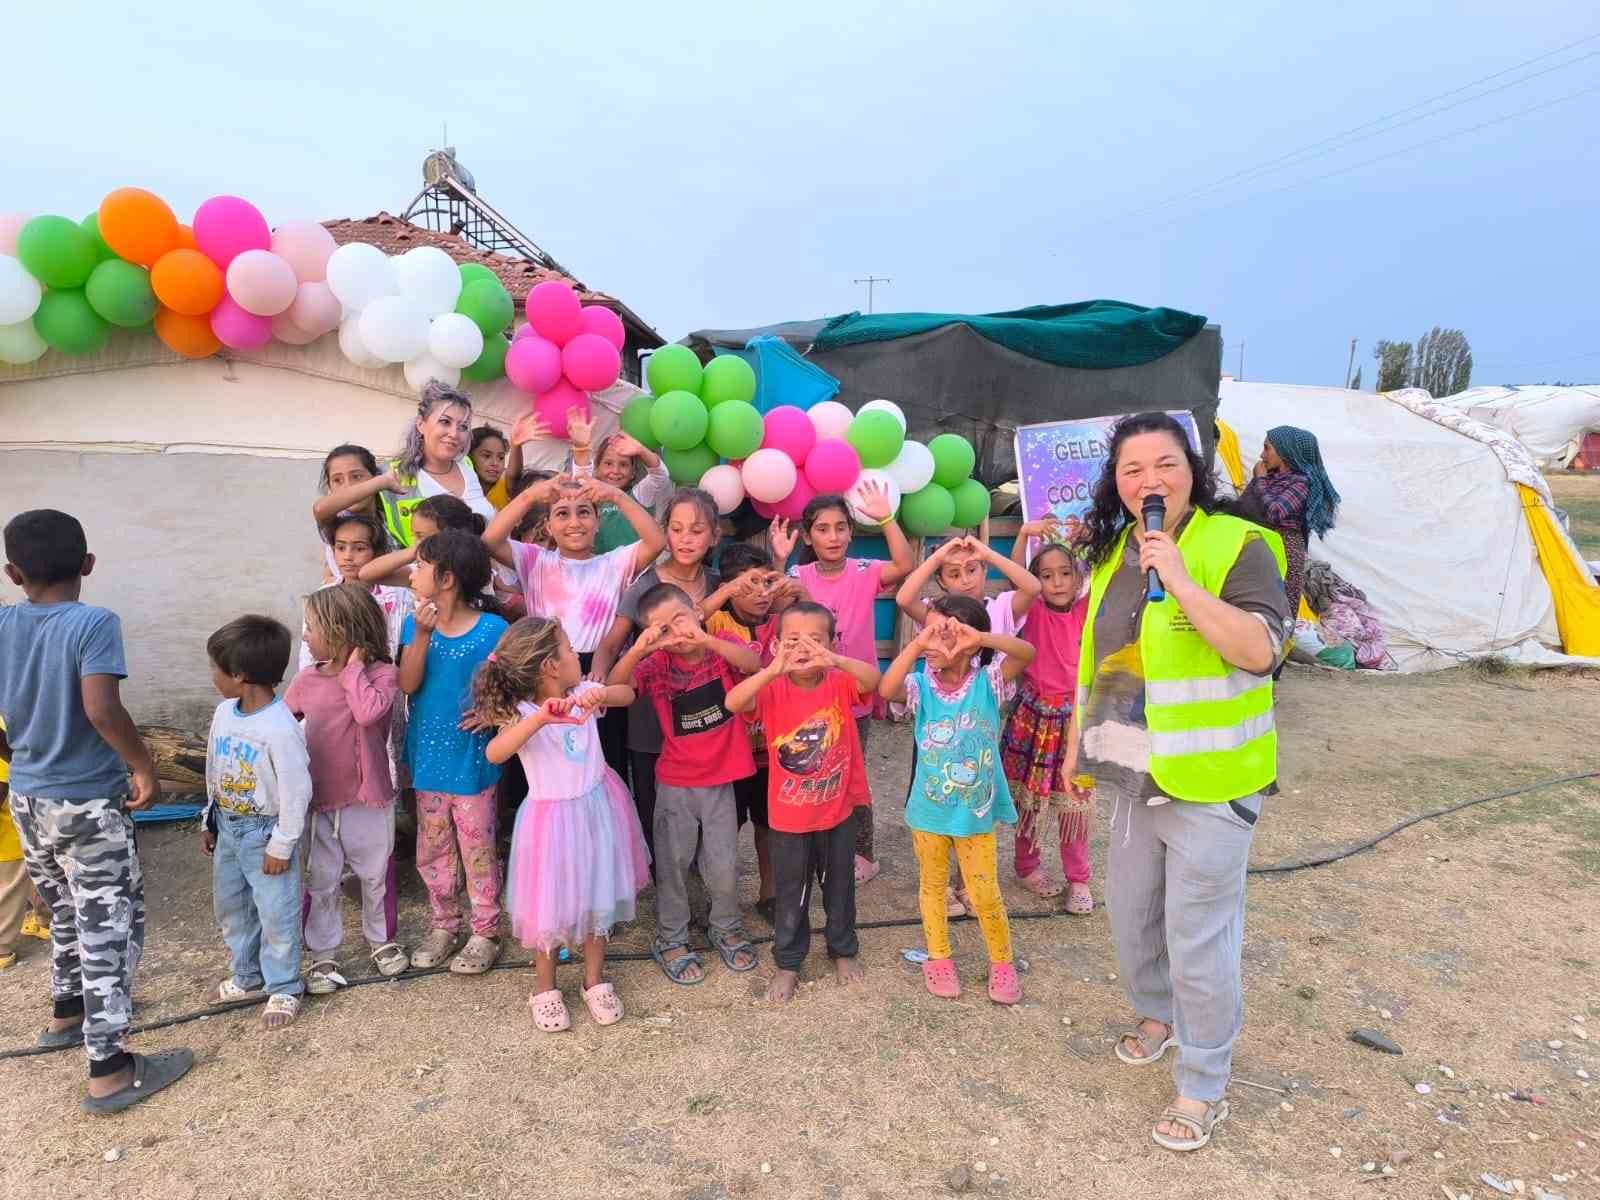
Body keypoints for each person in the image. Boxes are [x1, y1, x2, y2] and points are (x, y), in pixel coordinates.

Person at [1064, 411, 1288, 1152]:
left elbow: (1260, 651)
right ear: (1116, 483)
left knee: (1199, 938)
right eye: (1131, 470)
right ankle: (1156, 1015)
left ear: (1193, 470)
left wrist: (1184, 583)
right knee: (1133, 919)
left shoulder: (1238, 544)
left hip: (1212, 782)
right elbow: (1098, 663)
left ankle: (1203, 1083)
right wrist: (1077, 751)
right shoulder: (1116, 554)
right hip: (1132, 774)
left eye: (1163, 464)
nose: (1148, 481)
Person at [0, 510, 192, 1112]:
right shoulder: (93, 623)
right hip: (84, 800)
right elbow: (101, 707)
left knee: (62, 911)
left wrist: (13, 755)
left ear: (12, 573)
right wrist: (142, 765)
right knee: (106, 929)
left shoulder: (3, 622)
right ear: (87, 565)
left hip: (28, 797)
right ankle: (108, 1068)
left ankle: (66, 1014)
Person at [473, 618, 649, 1031]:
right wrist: (540, 720)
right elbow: (497, 754)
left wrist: (601, 692)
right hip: (550, 823)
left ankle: (594, 980)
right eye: (570, 649)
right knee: (548, 906)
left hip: (596, 810)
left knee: (596, 895)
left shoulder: (584, 694)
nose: (576, 655)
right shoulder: (522, 713)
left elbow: (627, 694)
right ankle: (545, 988)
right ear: (550, 666)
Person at [880, 594, 1033, 1005]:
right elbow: (886, 688)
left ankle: (1002, 963)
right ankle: (939, 957)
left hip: (975, 814)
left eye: (943, 633)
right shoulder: (919, 686)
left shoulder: (989, 682)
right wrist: (917, 644)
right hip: (928, 813)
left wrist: (980, 636)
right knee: (932, 887)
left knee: (985, 891)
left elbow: (1026, 651)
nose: (932, 642)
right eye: (925, 632)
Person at [608, 583, 762, 985]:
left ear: (697, 610)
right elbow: (615, 691)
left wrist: (707, 637)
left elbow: (752, 665)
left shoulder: (721, 645)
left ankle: (726, 926)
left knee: (724, 864)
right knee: (673, 865)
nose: (675, 634)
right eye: (661, 630)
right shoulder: (656, 665)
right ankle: (671, 936)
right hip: (675, 783)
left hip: (721, 783)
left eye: (679, 619)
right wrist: (640, 650)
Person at [725, 602, 879, 1001]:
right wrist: (772, 668)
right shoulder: (773, 686)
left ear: (832, 643)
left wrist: (837, 660)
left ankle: (843, 949)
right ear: (775, 644)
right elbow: (734, 703)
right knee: (791, 893)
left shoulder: (839, 682)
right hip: (789, 819)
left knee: (839, 887)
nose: (805, 648)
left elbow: (872, 679)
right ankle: (788, 962)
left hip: (837, 813)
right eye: (793, 640)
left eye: (816, 639)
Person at [894, 531, 1042, 915]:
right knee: (936, 792)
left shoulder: (1001, 608)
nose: (965, 578)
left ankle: (966, 882)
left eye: (973, 569)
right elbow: (903, 598)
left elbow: (1032, 587)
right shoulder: (936, 614)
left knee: (974, 796)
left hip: (979, 719)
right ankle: (940, 884)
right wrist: (940, 552)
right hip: (935, 720)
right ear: (941, 581)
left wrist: (989, 552)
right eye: (953, 572)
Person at [775, 484, 914, 885]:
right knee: (813, 771)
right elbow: (773, 607)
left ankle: (863, 853)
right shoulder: (796, 575)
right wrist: (779, 561)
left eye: (840, 528)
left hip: (854, 695)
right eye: (822, 529)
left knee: (852, 773)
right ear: (807, 536)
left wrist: (887, 518)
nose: (832, 537)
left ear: (851, 532)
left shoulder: (864, 572)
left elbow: (903, 563)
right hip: (807, 697)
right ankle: (824, 847)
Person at [284, 585, 407, 991]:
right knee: (322, 878)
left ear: (342, 631)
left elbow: (367, 712)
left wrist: (353, 669)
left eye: (312, 627)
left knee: (374, 874)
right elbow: (282, 725)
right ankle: (323, 956)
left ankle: (381, 941)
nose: (305, 636)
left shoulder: (383, 676)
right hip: (322, 799)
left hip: (369, 797)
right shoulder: (305, 681)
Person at [398, 530, 510, 975]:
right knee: (433, 846)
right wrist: (422, 635)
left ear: (446, 579)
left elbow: (511, 687)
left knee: (478, 845)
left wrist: (493, 713)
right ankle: (444, 922)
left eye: (421, 566)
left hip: (473, 761)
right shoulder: (414, 625)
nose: (412, 572)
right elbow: (408, 685)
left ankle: (486, 929)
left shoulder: (493, 631)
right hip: (428, 759)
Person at [590, 488, 722, 837]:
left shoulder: (717, 583)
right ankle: (657, 868)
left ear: (715, 535)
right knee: (651, 797)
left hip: (704, 712)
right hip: (651, 711)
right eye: (676, 529)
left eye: (696, 530)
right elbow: (612, 642)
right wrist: (599, 676)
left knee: (705, 799)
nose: (685, 539)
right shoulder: (645, 583)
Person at [202, 614, 312, 1030]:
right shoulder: (223, 713)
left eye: (216, 668)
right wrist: (208, 820)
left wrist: (282, 845)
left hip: (265, 833)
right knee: (232, 907)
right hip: (229, 827)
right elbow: (214, 768)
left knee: (276, 910)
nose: (212, 676)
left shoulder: (281, 728)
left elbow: (296, 792)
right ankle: (247, 974)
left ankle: (283, 984)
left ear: (241, 674)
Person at [698, 542, 803, 922]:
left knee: (769, 823)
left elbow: (818, 619)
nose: (761, 593)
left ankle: (770, 892)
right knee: (723, 828)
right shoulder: (715, 623)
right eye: (749, 584)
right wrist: (725, 591)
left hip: (772, 746)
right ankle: (720, 899)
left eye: (766, 584)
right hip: (726, 747)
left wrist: (793, 587)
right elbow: (686, 623)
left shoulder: (782, 621)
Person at [999, 527, 1093, 909]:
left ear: (1078, 576)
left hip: (1077, 720)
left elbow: (1101, 568)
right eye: (1046, 574)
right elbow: (1014, 576)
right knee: (1031, 802)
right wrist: (1023, 533)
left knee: (1076, 802)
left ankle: (1079, 879)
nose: (1057, 581)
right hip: (1034, 717)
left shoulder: (1088, 607)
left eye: (1065, 572)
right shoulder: (1032, 610)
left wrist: (1085, 537)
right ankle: (1027, 866)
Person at [317, 382, 497, 547]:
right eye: (445, 422)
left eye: (463, 427)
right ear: (421, 424)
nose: (454, 433)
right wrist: (380, 482)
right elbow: (328, 512)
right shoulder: (396, 475)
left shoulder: (465, 464)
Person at [1233, 425, 1340, 623]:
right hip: (1258, 546)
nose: (1261, 454)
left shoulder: (1300, 483)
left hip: (1284, 550)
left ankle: (1277, 649)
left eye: (1267, 448)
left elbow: (1275, 513)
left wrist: (1261, 480)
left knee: (1278, 608)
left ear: (1285, 452)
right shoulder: (1272, 478)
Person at [585, 425, 673, 552]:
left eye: (623, 465)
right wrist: (580, 447)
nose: (615, 471)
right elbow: (579, 479)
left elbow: (660, 475)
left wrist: (641, 450)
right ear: (596, 469)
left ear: (633, 472)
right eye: (608, 464)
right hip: (601, 570)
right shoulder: (589, 497)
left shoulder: (640, 496)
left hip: (637, 570)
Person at [309, 444, 383, 583]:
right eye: (337, 480)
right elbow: (319, 509)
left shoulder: (392, 518)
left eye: (356, 476)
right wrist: (384, 481)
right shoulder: (335, 521)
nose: (348, 487)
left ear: (374, 476)